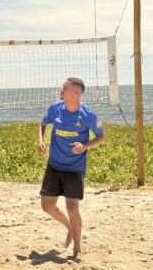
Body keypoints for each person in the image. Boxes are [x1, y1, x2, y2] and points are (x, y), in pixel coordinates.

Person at [36, 78, 106, 259]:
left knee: (72, 207)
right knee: (47, 206)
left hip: (75, 168)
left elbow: (101, 137)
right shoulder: (55, 108)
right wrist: (40, 140)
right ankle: (69, 227)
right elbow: (42, 124)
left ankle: (77, 249)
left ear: (76, 92)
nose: (61, 88)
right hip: (54, 165)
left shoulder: (87, 115)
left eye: (65, 87)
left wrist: (85, 146)